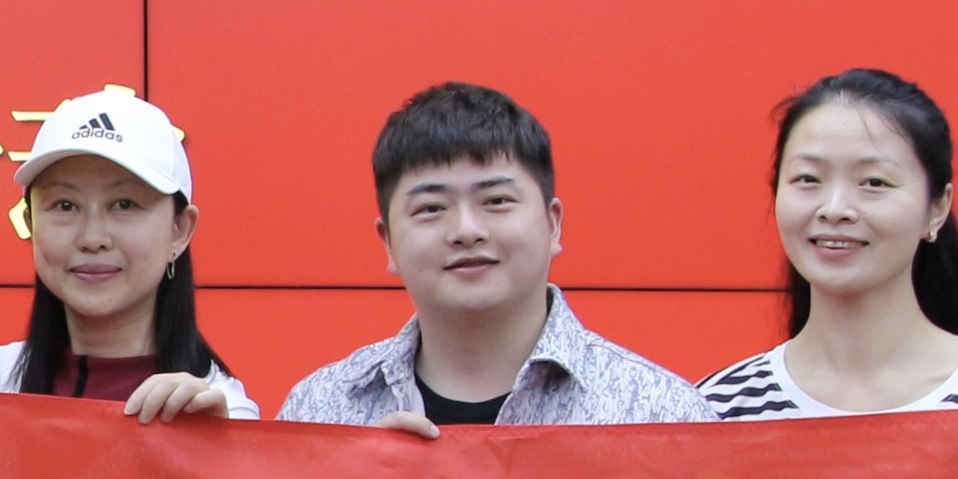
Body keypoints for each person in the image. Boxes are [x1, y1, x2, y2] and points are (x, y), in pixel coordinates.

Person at [277, 83, 712, 431]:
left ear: (553, 223)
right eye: (431, 208)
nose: (467, 230)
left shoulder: (663, 416)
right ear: (388, 242)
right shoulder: (319, 411)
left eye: (497, 201)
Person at [696, 70, 958, 421]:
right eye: (808, 178)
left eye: (874, 182)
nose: (835, 209)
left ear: (937, 209)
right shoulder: (715, 411)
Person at [0, 89, 258, 422]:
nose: (93, 238)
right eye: (65, 205)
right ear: (31, 223)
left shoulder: (218, 410)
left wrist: (217, 446)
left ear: (180, 229)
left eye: (124, 204)